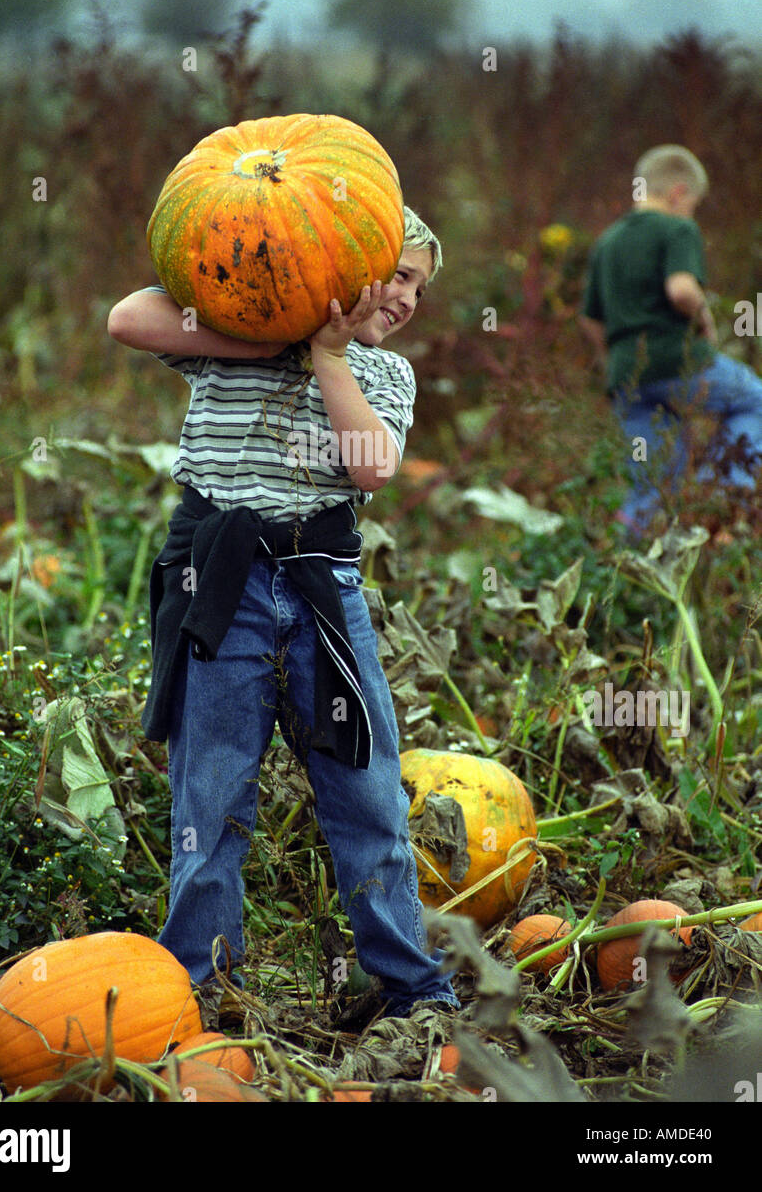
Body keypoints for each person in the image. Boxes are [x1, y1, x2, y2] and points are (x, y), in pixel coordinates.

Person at [106, 205, 460, 1022]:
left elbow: (370, 469)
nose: (406, 298)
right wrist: (279, 336)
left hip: (320, 589)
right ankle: (198, 993)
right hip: (220, 590)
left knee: (365, 793)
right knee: (212, 791)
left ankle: (411, 989)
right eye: (397, 275)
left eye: (419, 287)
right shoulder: (235, 332)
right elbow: (127, 317)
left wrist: (330, 355)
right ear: (348, 265)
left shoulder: (384, 373)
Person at [580, 144, 762, 538]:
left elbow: (591, 319)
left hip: (628, 377)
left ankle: (628, 568)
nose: (691, 211)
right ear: (679, 192)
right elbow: (681, 289)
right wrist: (706, 318)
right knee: (754, 399)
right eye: (693, 203)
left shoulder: (607, 242)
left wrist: (616, 360)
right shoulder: (677, 228)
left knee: (652, 483)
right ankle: (725, 495)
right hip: (680, 363)